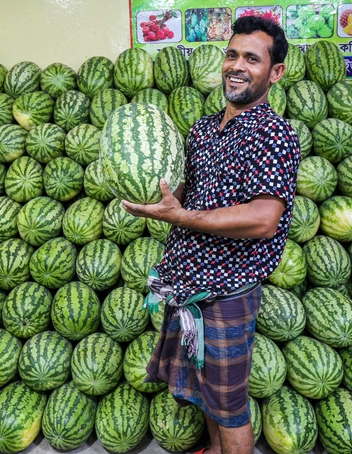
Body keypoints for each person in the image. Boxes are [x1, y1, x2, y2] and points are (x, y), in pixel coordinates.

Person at [120, 15, 301, 454]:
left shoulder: (274, 135)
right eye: (232, 54)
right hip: (188, 287)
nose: (237, 66)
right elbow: (182, 193)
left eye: (252, 59)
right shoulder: (202, 129)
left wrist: (180, 218)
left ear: (274, 72)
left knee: (229, 406)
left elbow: (263, 218)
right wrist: (147, 189)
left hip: (227, 293)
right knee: (204, 392)